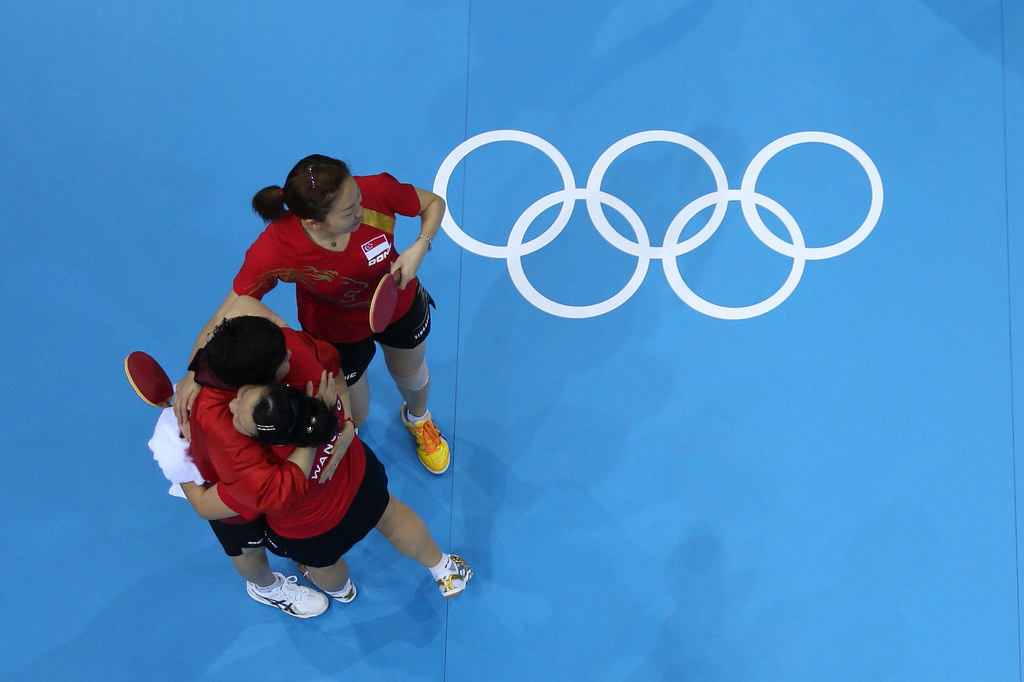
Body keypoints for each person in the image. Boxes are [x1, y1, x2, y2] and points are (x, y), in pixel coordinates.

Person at [174, 154, 450, 475]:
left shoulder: (374, 192)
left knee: (411, 375)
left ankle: (418, 418)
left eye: (357, 199)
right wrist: (197, 370)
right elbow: (233, 306)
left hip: (398, 304)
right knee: (355, 416)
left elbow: (433, 204)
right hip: (336, 334)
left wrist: (420, 246)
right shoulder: (278, 249)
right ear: (313, 222)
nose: (362, 210)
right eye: (349, 211)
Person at [181, 367, 473, 604]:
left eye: (240, 416)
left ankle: (342, 592)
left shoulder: (258, 473)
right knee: (393, 517)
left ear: (270, 440)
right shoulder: (320, 395)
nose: (232, 402)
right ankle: (444, 569)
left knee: (325, 566)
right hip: (361, 483)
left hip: (313, 532)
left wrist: (176, 458)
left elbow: (205, 507)